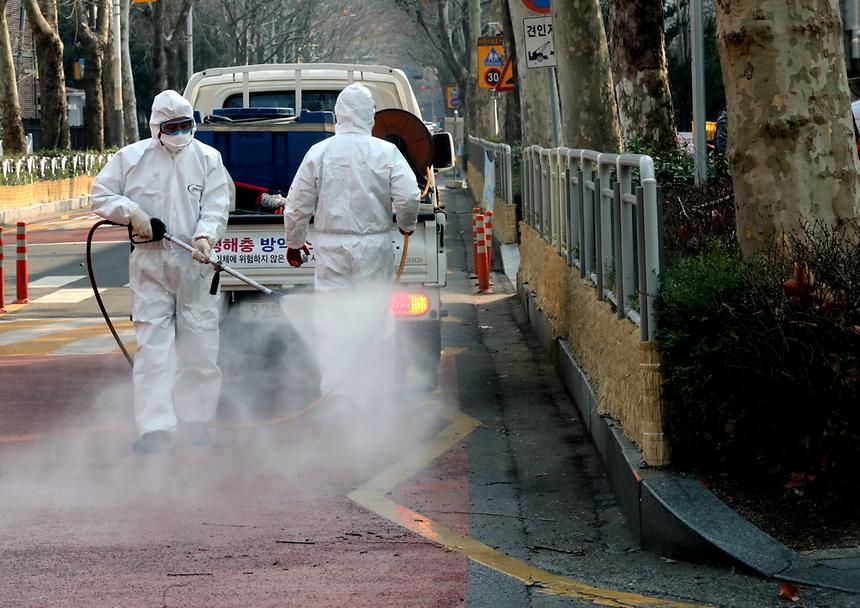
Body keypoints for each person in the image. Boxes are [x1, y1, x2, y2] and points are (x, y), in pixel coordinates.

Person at [91, 90, 233, 454]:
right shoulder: (132, 158)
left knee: (200, 346)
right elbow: (100, 194)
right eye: (172, 126)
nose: (181, 132)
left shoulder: (207, 158)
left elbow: (217, 203)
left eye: (186, 125)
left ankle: (197, 421)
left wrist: (206, 237)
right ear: (156, 127)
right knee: (154, 350)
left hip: (194, 263)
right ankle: (155, 429)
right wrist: (133, 213)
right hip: (150, 263)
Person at [281, 83, 420, 404]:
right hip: (373, 246)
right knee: (375, 318)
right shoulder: (385, 152)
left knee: (333, 319)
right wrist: (407, 225)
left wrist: (295, 242)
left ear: (338, 116)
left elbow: (297, 205)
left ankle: (336, 395)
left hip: (331, 248)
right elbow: (410, 196)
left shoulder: (319, 152)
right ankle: (375, 394)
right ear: (370, 116)